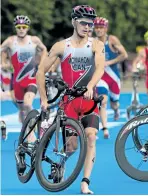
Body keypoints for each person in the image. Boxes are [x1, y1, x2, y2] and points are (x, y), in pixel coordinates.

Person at [36, 5, 105, 194]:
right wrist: (43, 98)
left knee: (91, 138)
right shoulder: (61, 46)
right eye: (83, 23)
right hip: (69, 103)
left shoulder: (97, 45)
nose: (88, 27)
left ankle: (85, 182)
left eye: (90, 24)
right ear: (74, 22)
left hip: (89, 101)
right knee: (72, 146)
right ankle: (61, 163)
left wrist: (90, 86)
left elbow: (100, 68)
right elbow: (40, 71)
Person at [1, 15, 47, 128]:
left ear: (27, 28)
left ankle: (34, 121)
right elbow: (2, 50)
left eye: (24, 27)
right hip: (17, 81)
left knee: (28, 103)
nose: (21, 29)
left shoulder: (34, 40)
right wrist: (3, 63)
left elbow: (44, 49)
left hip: (31, 79)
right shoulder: (11, 41)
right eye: (19, 27)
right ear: (16, 28)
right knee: (21, 111)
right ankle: (26, 136)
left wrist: (42, 64)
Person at [94, 17, 128, 139]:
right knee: (102, 101)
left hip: (113, 77)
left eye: (100, 27)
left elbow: (124, 55)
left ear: (105, 28)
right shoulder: (92, 42)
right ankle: (105, 128)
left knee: (114, 104)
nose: (98, 30)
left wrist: (109, 62)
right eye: (96, 27)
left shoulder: (112, 40)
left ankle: (116, 110)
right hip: (100, 77)